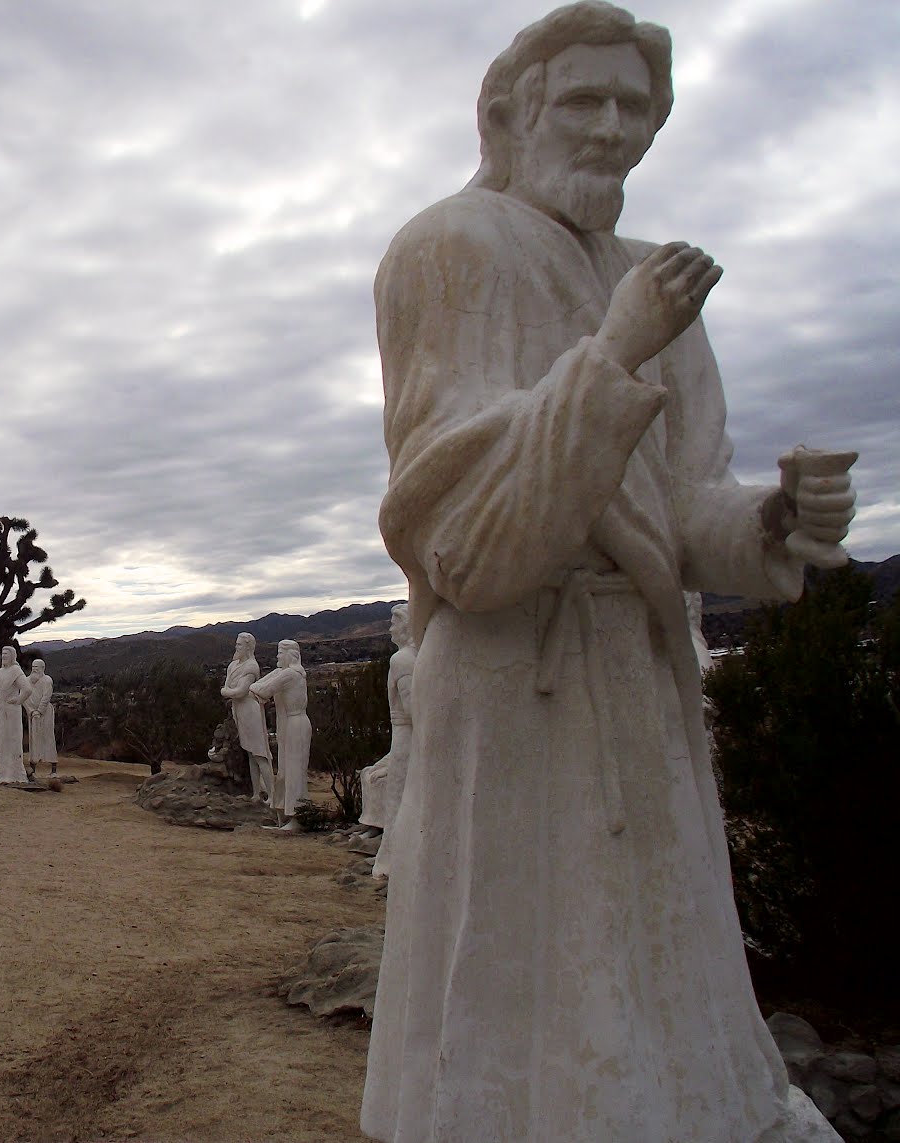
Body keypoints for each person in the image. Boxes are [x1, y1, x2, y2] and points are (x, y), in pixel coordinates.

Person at [362, 4, 854, 1140]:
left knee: (652, 958)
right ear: (512, 112)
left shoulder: (652, 282)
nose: (609, 129)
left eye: (633, 107)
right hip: (511, 686)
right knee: (520, 973)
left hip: (637, 681)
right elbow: (464, 541)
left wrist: (771, 521)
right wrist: (614, 350)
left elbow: (685, 504)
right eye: (581, 100)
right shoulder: (451, 246)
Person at [357, 604, 415, 879]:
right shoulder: (412, 658)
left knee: (397, 797)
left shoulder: (403, 659)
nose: (390, 628)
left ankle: (389, 860)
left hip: (407, 736)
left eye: (394, 623)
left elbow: (414, 708)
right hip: (409, 735)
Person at [250, 639, 310, 831]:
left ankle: (298, 816)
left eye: (280, 653)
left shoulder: (291, 675)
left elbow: (261, 689)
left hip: (295, 724)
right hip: (287, 724)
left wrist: (257, 685)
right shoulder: (287, 673)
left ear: (290, 655)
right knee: (285, 769)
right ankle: (286, 813)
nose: (277, 656)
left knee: (294, 771)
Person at [220, 632, 274, 803]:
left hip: (251, 711)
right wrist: (228, 691)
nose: (236, 647)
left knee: (260, 754)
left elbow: (239, 691)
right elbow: (229, 688)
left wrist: (226, 691)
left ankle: (273, 797)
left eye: (240, 645)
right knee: (251, 754)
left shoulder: (251, 667)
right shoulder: (233, 665)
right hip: (240, 711)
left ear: (248, 647)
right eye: (236, 644)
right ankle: (257, 794)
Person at [0, 647, 29, 785]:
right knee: (3, 741)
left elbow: (27, 689)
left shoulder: (16, 671)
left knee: (14, 740)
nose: (3, 656)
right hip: (2, 709)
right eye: (2, 653)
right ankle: (2, 774)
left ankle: (15, 774)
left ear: (12, 656)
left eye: (6, 654)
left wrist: (18, 700)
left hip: (13, 711)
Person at [22, 659, 57, 780]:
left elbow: (47, 696)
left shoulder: (47, 680)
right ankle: (33, 769)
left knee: (48, 738)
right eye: (33, 666)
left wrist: (39, 710)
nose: (35, 669)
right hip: (33, 715)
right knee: (34, 740)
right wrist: (31, 711)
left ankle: (53, 769)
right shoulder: (26, 681)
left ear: (43, 668)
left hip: (45, 713)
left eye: (37, 666)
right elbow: (24, 697)